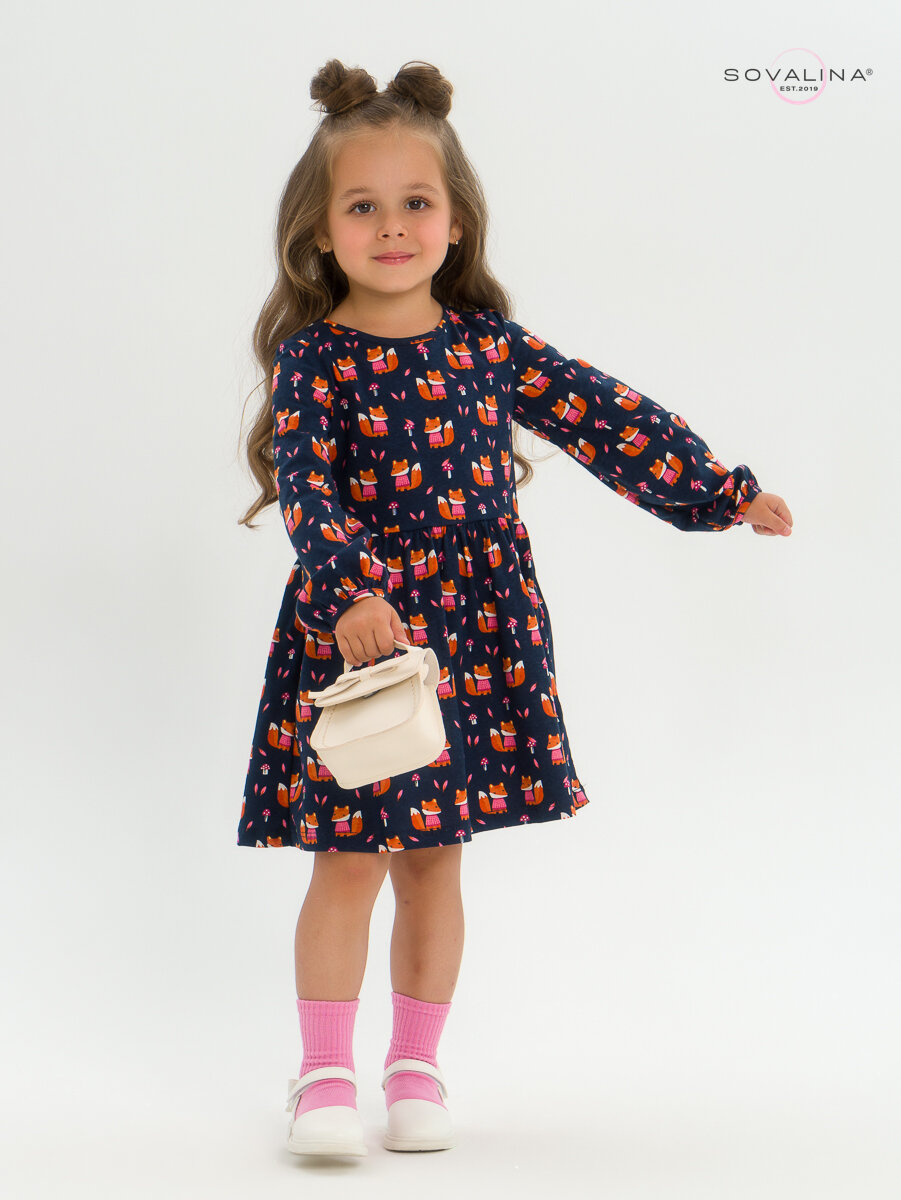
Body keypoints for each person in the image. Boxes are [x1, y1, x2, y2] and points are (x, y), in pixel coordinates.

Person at [235, 58, 793, 1158]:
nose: (392, 227)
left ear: (454, 222)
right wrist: (350, 591)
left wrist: (717, 492)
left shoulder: (489, 348)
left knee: (435, 858)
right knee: (348, 858)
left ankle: (416, 1067)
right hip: (362, 639)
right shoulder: (314, 362)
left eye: (415, 203)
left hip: (475, 633)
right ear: (319, 233)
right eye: (362, 207)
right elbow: (306, 486)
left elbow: (605, 417)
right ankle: (324, 1076)